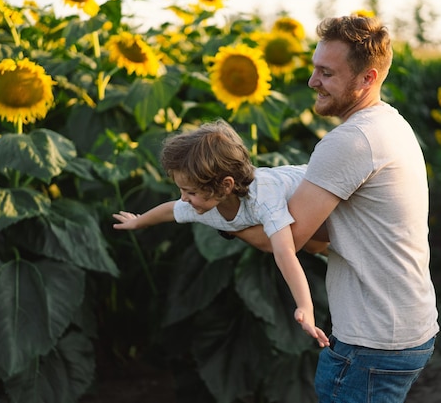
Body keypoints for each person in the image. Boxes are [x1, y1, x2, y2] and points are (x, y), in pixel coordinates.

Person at [232, 15, 439, 403]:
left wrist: (219, 216)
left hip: (371, 341)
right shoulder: (391, 124)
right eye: (314, 68)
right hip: (405, 328)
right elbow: (328, 235)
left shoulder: (351, 141)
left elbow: (287, 239)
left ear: (367, 78)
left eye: (326, 73)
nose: (313, 82)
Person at [112, 119, 330, 348]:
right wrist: (139, 222)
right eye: (181, 190)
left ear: (226, 185)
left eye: (190, 191)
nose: (184, 198)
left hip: (317, 189)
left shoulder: (263, 198)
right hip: (302, 214)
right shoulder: (206, 203)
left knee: (313, 241)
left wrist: (305, 306)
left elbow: (285, 253)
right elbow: (170, 210)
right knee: (313, 245)